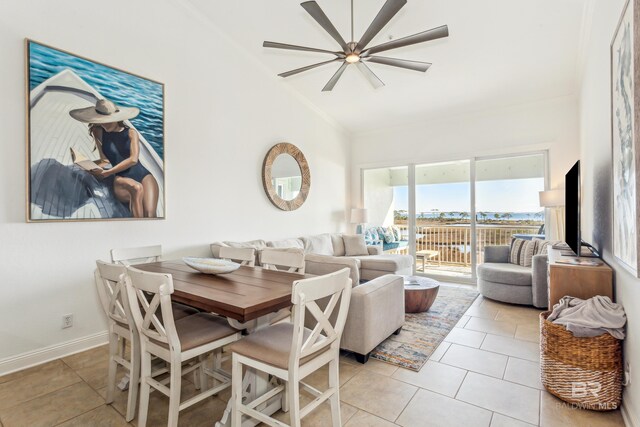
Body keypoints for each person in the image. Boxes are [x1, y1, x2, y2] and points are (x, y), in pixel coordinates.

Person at [69, 99, 159, 218]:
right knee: (136, 188)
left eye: (108, 121)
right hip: (121, 178)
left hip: (144, 175)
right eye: (101, 121)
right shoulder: (98, 131)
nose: (104, 124)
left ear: (117, 119)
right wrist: (87, 166)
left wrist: (108, 172)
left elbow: (133, 160)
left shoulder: (131, 133)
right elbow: (104, 160)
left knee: (150, 214)